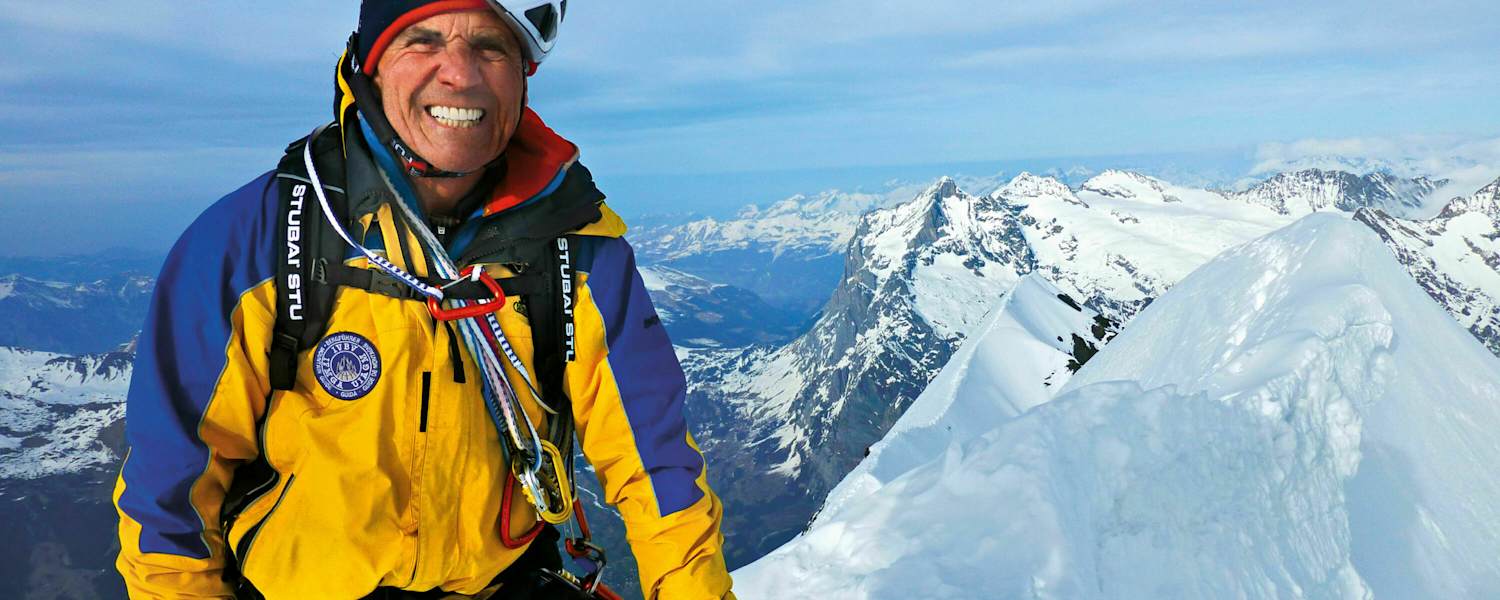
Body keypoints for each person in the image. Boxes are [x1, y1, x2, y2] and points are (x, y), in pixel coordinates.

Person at [111, 2, 735, 598]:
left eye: (491, 46)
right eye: (423, 39)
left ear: (523, 78)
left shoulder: (577, 247)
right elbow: (171, 492)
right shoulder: (252, 243)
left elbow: (652, 463)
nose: (460, 74)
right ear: (371, 65)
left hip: (504, 584)